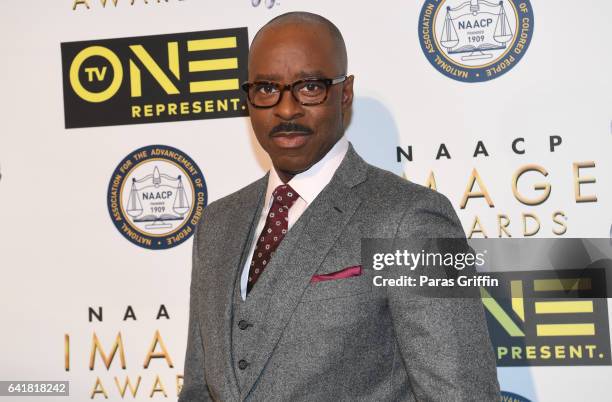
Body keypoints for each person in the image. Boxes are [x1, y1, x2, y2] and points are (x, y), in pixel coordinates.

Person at [179, 11, 500, 402]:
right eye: (266, 89)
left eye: (309, 87)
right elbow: (198, 388)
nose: (286, 110)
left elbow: (463, 395)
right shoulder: (218, 223)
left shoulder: (414, 218)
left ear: (344, 93)